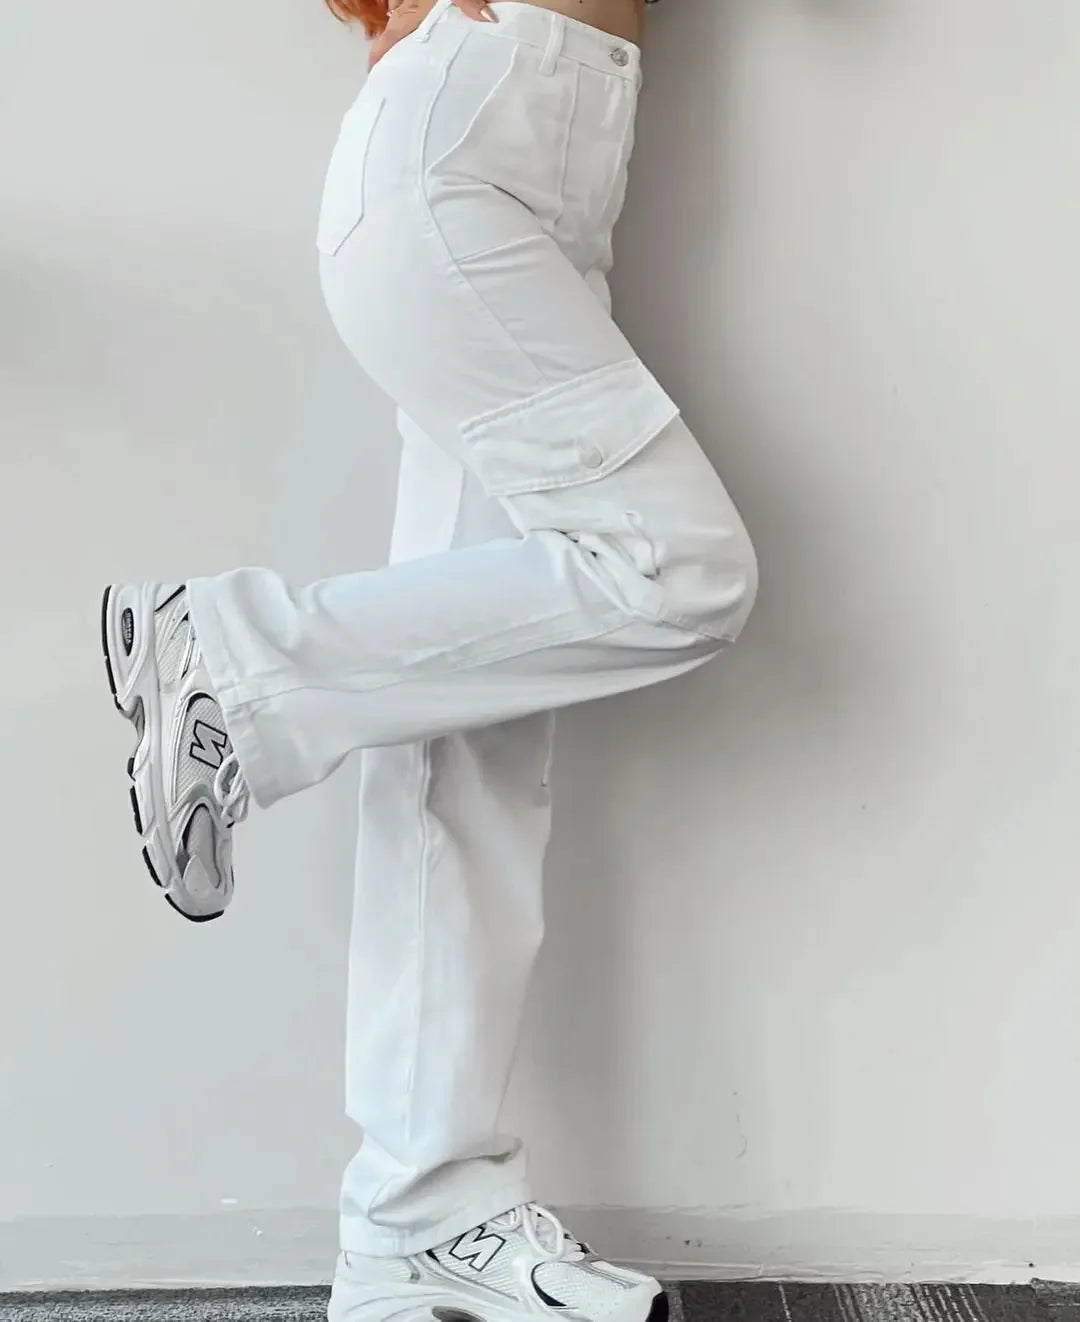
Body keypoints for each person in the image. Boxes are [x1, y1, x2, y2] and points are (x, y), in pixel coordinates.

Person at [100, 0, 757, 1318]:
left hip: (534, 153)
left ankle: (416, 1216)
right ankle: (235, 662)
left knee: (470, 726)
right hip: (472, 144)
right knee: (681, 567)